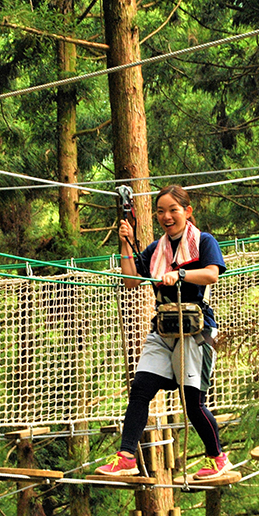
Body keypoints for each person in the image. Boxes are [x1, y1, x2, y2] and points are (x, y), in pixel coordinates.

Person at [97, 185, 230, 480]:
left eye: (173, 210)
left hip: (197, 328)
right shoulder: (156, 249)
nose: (166, 216)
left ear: (187, 211)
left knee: (193, 403)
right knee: (141, 388)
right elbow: (131, 280)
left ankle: (217, 458)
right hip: (164, 326)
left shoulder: (204, 241)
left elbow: (212, 273)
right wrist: (125, 243)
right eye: (161, 211)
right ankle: (126, 456)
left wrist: (180, 274)